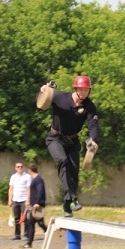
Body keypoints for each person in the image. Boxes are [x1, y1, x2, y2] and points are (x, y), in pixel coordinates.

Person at [36, 75, 99, 217]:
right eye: (81, 89)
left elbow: (93, 126)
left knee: (74, 174)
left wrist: (93, 140)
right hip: (55, 139)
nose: (84, 93)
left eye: (86, 90)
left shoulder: (89, 106)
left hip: (72, 142)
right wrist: (43, 92)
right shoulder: (60, 97)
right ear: (75, 88)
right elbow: (40, 103)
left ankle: (67, 205)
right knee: (62, 161)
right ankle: (73, 199)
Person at [23, 163, 48, 248]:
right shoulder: (34, 179)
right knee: (33, 223)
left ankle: (30, 243)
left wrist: (37, 202)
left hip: (37, 206)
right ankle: (29, 243)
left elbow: (40, 191)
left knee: (38, 223)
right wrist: (29, 201)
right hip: (33, 205)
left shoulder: (38, 179)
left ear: (30, 170)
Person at [8, 162, 31, 240]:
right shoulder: (13, 177)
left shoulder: (27, 176)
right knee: (16, 218)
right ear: (15, 168)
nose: (20, 168)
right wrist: (10, 200)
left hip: (24, 200)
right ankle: (17, 235)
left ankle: (26, 235)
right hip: (15, 200)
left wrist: (28, 200)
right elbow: (11, 188)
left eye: (21, 166)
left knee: (25, 218)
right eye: (18, 167)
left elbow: (28, 189)